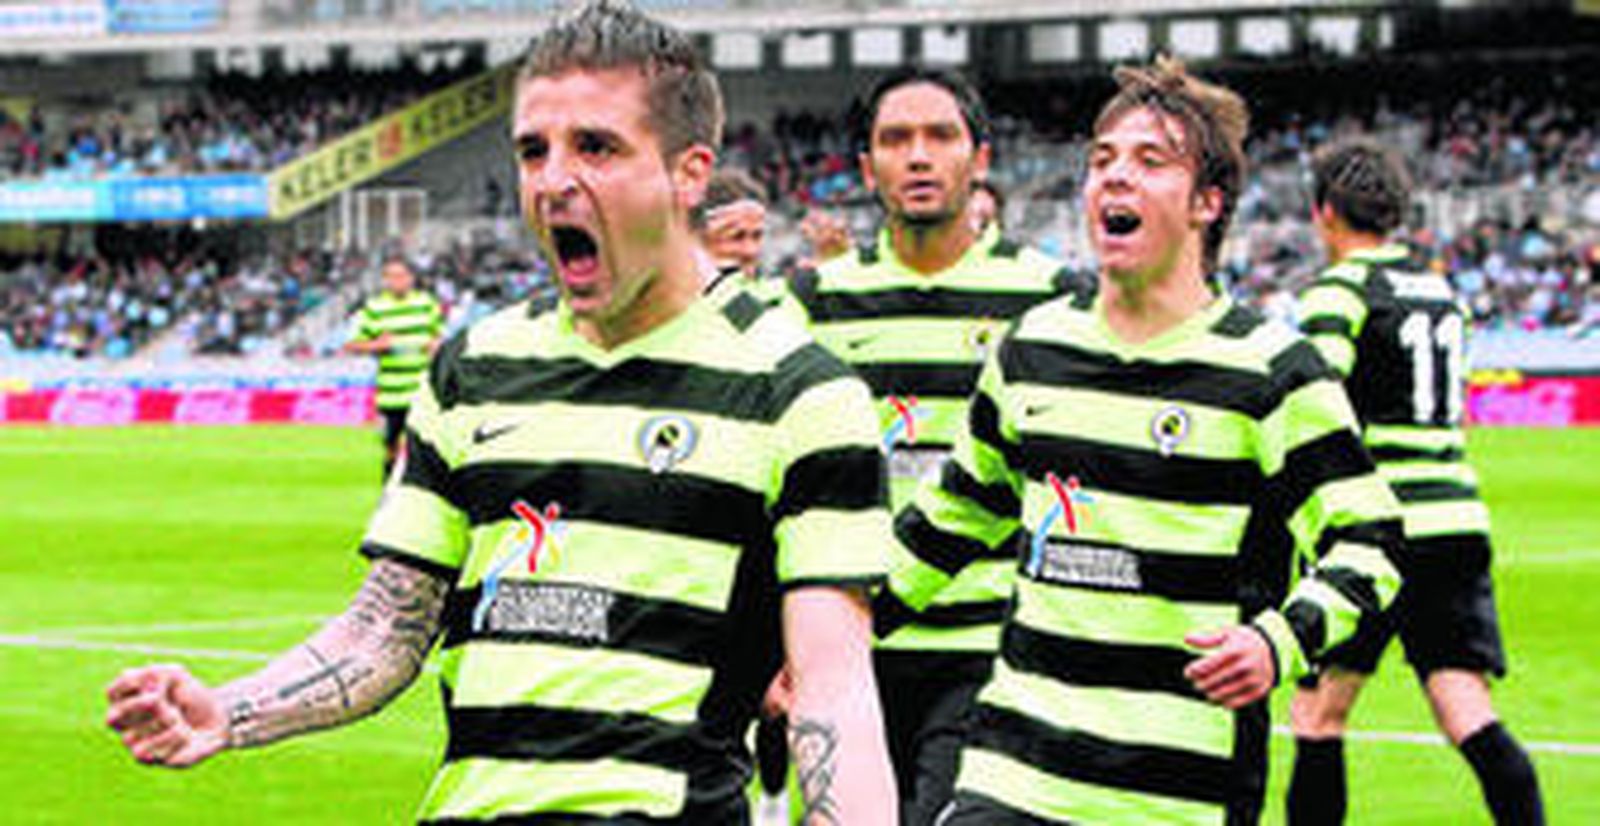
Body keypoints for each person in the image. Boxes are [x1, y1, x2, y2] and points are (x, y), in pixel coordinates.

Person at [105, 2, 897, 823]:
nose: (554, 179)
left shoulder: (798, 389)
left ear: (689, 172)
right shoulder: (475, 367)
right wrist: (226, 711)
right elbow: (387, 628)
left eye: (596, 146)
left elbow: (834, 691)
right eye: (532, 150)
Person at [880, 57, 1406, 824]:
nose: (1115, 177)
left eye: (1150, 161)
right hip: (1013, 773)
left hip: (1179, 793)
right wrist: (817, 639)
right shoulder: (1032, 351)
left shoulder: (1273, 372)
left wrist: (1277, 643)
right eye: (1103, 160)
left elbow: (1373, 544)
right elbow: (946, 526)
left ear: (1207, 203)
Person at [786, 65, 1080, 825]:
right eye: (896, 139)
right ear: (865, 167)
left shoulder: (1051, 300)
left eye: (940, 136)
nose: (918, 155)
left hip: (989, 647)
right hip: (847, 649)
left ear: (979, 159)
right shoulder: (811, 305)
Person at [1288, 137, 1545, 826]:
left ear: (1324, 213)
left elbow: (1316, 406)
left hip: (1379, 529)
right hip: (1457, 521)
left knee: (1318, 712)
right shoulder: (1442, 289)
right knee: (1466, 709)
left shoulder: (1338, 291)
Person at [342, 255, 444, 478]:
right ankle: (389, 489)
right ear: (384, 280)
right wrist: (378, 345)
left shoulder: (426, 304)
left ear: (412, 278)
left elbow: (439, 338)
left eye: (401, 275)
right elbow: (351, 345)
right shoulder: (374, 308)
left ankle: (420, 489)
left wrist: (436, 345)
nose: (397, 280)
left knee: (424, 445)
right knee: (390, 445)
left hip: (422, 391)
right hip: (391, 393)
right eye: (391, 276)